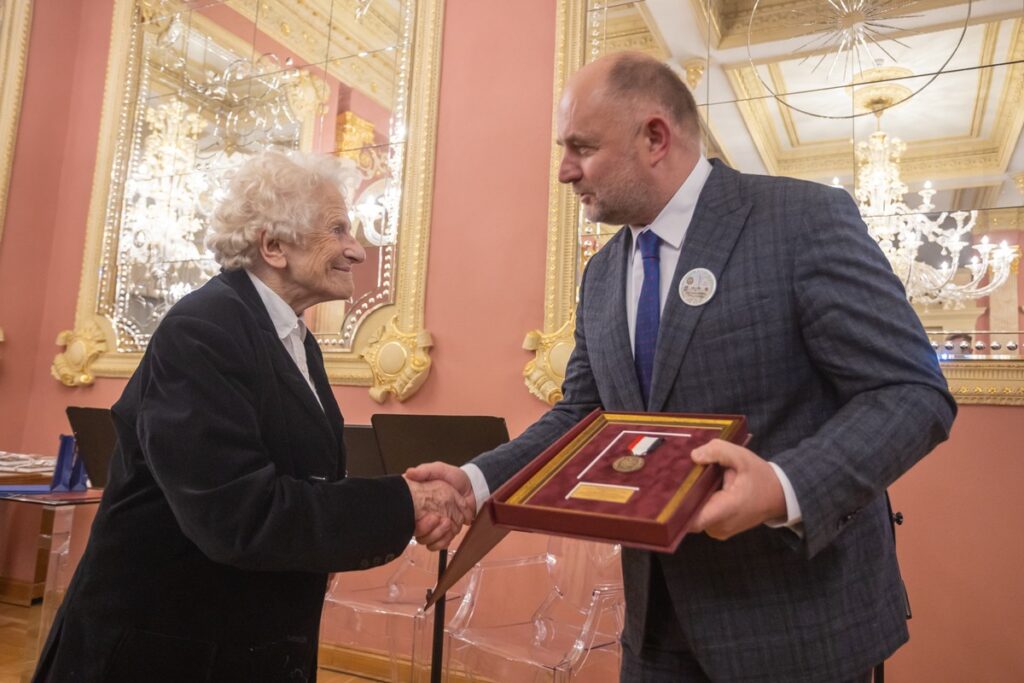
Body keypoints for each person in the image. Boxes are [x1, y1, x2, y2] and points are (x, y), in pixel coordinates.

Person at [407, 53, 956, 682]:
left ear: (655, 137)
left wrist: (783, 487)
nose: (564, 171)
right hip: (655, 624)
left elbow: (911, 391)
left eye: (581, 148)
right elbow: (585, 417)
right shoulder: (604, 271)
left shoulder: (801, 220)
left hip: (797, 623)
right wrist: (474, 483)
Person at [33, 151, 472, 683]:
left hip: (239, 643)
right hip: (161, 650)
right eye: (338, 230)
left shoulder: (289, 335)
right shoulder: (204, 327)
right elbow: (239, 514)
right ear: (272, 246)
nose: (357, 251)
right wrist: (405, 502)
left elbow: (295, 482)